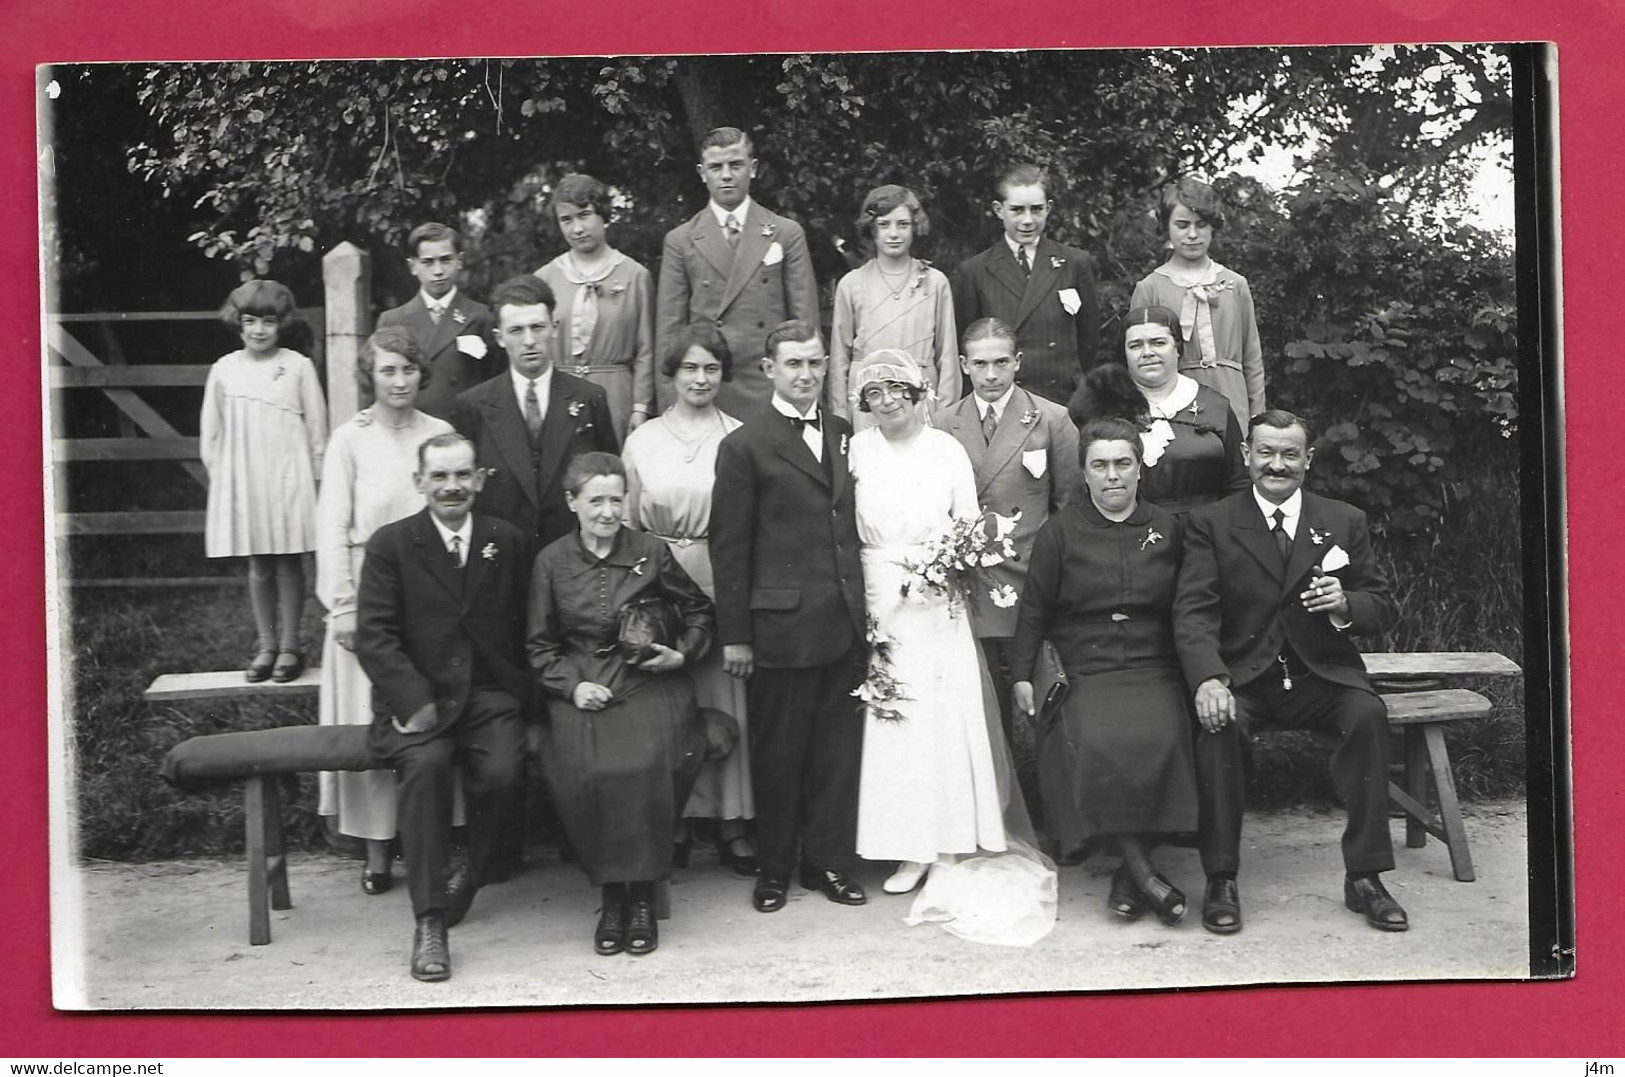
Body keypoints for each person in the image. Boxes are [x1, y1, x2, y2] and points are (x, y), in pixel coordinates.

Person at [1173, 409, 1404, 935]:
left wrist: (1347, 602)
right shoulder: (1211, 523)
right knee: (1218, 727)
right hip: (1245, 678)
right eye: (1266, 453)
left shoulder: (1344, 520)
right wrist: (1209, 677)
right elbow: (1193, 611)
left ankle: (1365, 876)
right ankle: (1221, 876)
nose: (1276, 465)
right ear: (1247, 455)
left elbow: (1384, 606)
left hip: (1320, 675)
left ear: (1308, 459)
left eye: (1289, 454)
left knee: (1368, 714)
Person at [847, 350, 1048, 911]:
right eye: (874, 395)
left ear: (918, 393)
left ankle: (945, 842)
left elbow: (967, 525)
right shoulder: (859, 451)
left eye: (896, 391)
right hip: (878, 590)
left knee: (936, 714)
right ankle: (900, 842)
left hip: (935, 598)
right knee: (892, 717)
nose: (886, 403)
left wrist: (941, 567)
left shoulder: (946, 450)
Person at [354, 433, 531, 983]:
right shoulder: (391, 544)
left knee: (504, 772)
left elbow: (526, 623)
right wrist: (413, 699)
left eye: (462, 476)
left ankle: (470, 875)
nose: (452, 487)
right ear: (420, 482)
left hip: (487, 695)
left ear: (479, 479)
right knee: (426, 768)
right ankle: (430, 919)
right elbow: (374, 636)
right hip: (419, 697)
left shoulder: (507, 538)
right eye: (440, 476)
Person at [1010, 418, 1199, 926]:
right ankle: (1142, 872)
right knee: (1093, 739)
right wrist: (1023, 674)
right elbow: (1034, 610)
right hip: (1085, 665)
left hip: (1152, 662)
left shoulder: (1167, 528)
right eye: (1100, 465)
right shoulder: (1061, 532)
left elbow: (1190, 608)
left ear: (1140, 469)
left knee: (1161, 735)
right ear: (1084, 473)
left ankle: (1128, 874)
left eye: (1123, 464)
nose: (1112, 476)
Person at [709, 319, 869, 913]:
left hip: (842, 621)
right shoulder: (744, 446)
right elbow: (729, 549)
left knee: (836, 751)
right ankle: (774, 868)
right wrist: (736, 637)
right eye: (794, 364)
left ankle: (826, 863)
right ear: (769, 369)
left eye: (815, 363)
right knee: (779, 754)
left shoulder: (847, 433)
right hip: (779, 628)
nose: (806, 374)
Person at [527, 452, 714, 956]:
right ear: (572, 503)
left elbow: (699, 610)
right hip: (585, 684)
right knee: (593, 766)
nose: (607, 511)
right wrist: (571, 686)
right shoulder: (552, 561)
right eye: (595, 501)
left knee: (647, 760)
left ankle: (644, 899)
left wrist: (681, 654)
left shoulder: (650, 551)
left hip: (647, 680)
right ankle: (613, 897)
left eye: (616, 499)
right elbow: (540, 646)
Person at [315, 327, 454, 894]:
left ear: (422, 373)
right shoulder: (350, 439)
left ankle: (436, 846)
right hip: (367, 604)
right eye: (388, 370)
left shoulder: (441, 434)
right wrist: (343, 605)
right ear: (370, 376)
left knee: (429, 723)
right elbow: (330, 526)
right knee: (375, 726)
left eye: (408, 369)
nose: (399, 381)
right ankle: (376, 851)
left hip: (429, 603)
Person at [621, 324, 756, 876]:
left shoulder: (741, 436)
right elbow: (628, 521)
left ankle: (732, 823)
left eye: (711, 368)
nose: (701, 379)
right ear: (671, 374)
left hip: (721, 573)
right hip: (659, 584)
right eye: (690, 369)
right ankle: (673, 822)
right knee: (669, 705)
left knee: (726, 698)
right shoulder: (642, 440)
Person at [934, 317, 1081, 746]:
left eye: (1001, 362)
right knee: (981, 708)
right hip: (971, 585)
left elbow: (1068, 505)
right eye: (980, 364)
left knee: (1041, 702)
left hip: (1029, 580)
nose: (992, 375)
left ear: (1018, 361)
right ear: (963, 365)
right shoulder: (943, 424)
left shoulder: (1051, 419)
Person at [200, 279, 327, 684]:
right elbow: (212, 435)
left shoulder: (298, 367)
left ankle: (291, 646)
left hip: (289, 478)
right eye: (250, 321)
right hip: (246, 480)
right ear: (237, 323)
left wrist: (316, 477)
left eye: (268, 321)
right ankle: (265, 645)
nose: (259, 330)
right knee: (259, 563)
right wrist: (225, 482)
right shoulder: (224, 370)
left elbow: (317, 431)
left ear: (281, 324)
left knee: (289, 560)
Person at [655, 126, 820, 417]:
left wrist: (805, 396)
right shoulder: (681, 241)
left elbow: (804, 324)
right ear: (702, 172)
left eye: (736, 165)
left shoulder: (785, 233)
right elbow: (670, 331)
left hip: (771, 384)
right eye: (716, 167)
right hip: (710, 385)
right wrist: (671, 404)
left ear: (753, 168)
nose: (727, 175)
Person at [451, 274, 620, 550]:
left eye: (537, 327)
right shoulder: (473, 405)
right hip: (502, 557)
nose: (529, 340)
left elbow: (608, 480)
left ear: (554, 328)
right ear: (500, 337)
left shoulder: (589, 399)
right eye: (516, 330)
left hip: (573, 554)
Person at [1069, 305, 1247, 518]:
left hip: (1204, 536)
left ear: (1177, 348)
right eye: (1135, 345)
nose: (1147, 353)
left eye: (1158, 343)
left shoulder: (1215, 407)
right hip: (1125, 535)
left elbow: (1239, 484)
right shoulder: (1099, 407)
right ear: (1124, 353)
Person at [951, 163, 1101, 405]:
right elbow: (965, 343)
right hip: (1003, 397)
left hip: (1061, 398)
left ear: (1049, 209)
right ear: (999, 210)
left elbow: (1089, 338)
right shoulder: (975, 271)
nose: (1028, 220)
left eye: (1036, 209)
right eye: (1017, 210)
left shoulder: (1074, 263)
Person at [1130, 178, 1266, 433]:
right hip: (1172, 403)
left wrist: (1257, 417)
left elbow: (1252, 357)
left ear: (1213, 227)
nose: (1192, 235)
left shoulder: (1235, 284)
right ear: (1167, 227)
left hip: (1231, 399)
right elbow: (1138, 360)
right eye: (1182, 225)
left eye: (1201, 225)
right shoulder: (1150, 288)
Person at [534, 173, 656, 441]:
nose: (577, 228)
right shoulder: (545, 278)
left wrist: (640, 407)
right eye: (566, 220)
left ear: (603, 215)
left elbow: (647, 349)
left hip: (616, 393)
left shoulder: (634, 275)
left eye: (584, 215)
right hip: (559, 391)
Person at [827, 185, 959, 426]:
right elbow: (839, 359)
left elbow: (947, 355)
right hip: (869, 399)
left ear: (915, 226)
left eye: (903, 224)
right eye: (884, 224)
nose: (894, 234)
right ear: (871, 228)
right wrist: (841, 416)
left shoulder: (935, 281)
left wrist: (945, 414)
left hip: (919, 394)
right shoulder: (852, 284)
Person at [376, 222, 499, 422]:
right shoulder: (393, 320)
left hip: (465, 428)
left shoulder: (482, 317)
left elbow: (496, 380)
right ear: (412, 266)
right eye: (428, 262)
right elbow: (379, 381)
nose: (438, 271)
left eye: (446, 260)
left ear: (460, 261)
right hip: (411, 426)